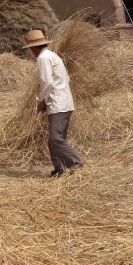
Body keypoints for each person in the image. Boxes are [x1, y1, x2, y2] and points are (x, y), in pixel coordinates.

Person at [23, 30, 83, 177]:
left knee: (56, 139)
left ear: (33, 47)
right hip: (64, 102)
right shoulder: (53, 55)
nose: (31, 51)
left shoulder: (43, 58)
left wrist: (41, 100)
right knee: (54, 140)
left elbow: (47, 82)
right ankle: (59, 169)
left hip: (58, 104)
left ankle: (76, 166)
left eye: (31, 49)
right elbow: (66, 78)